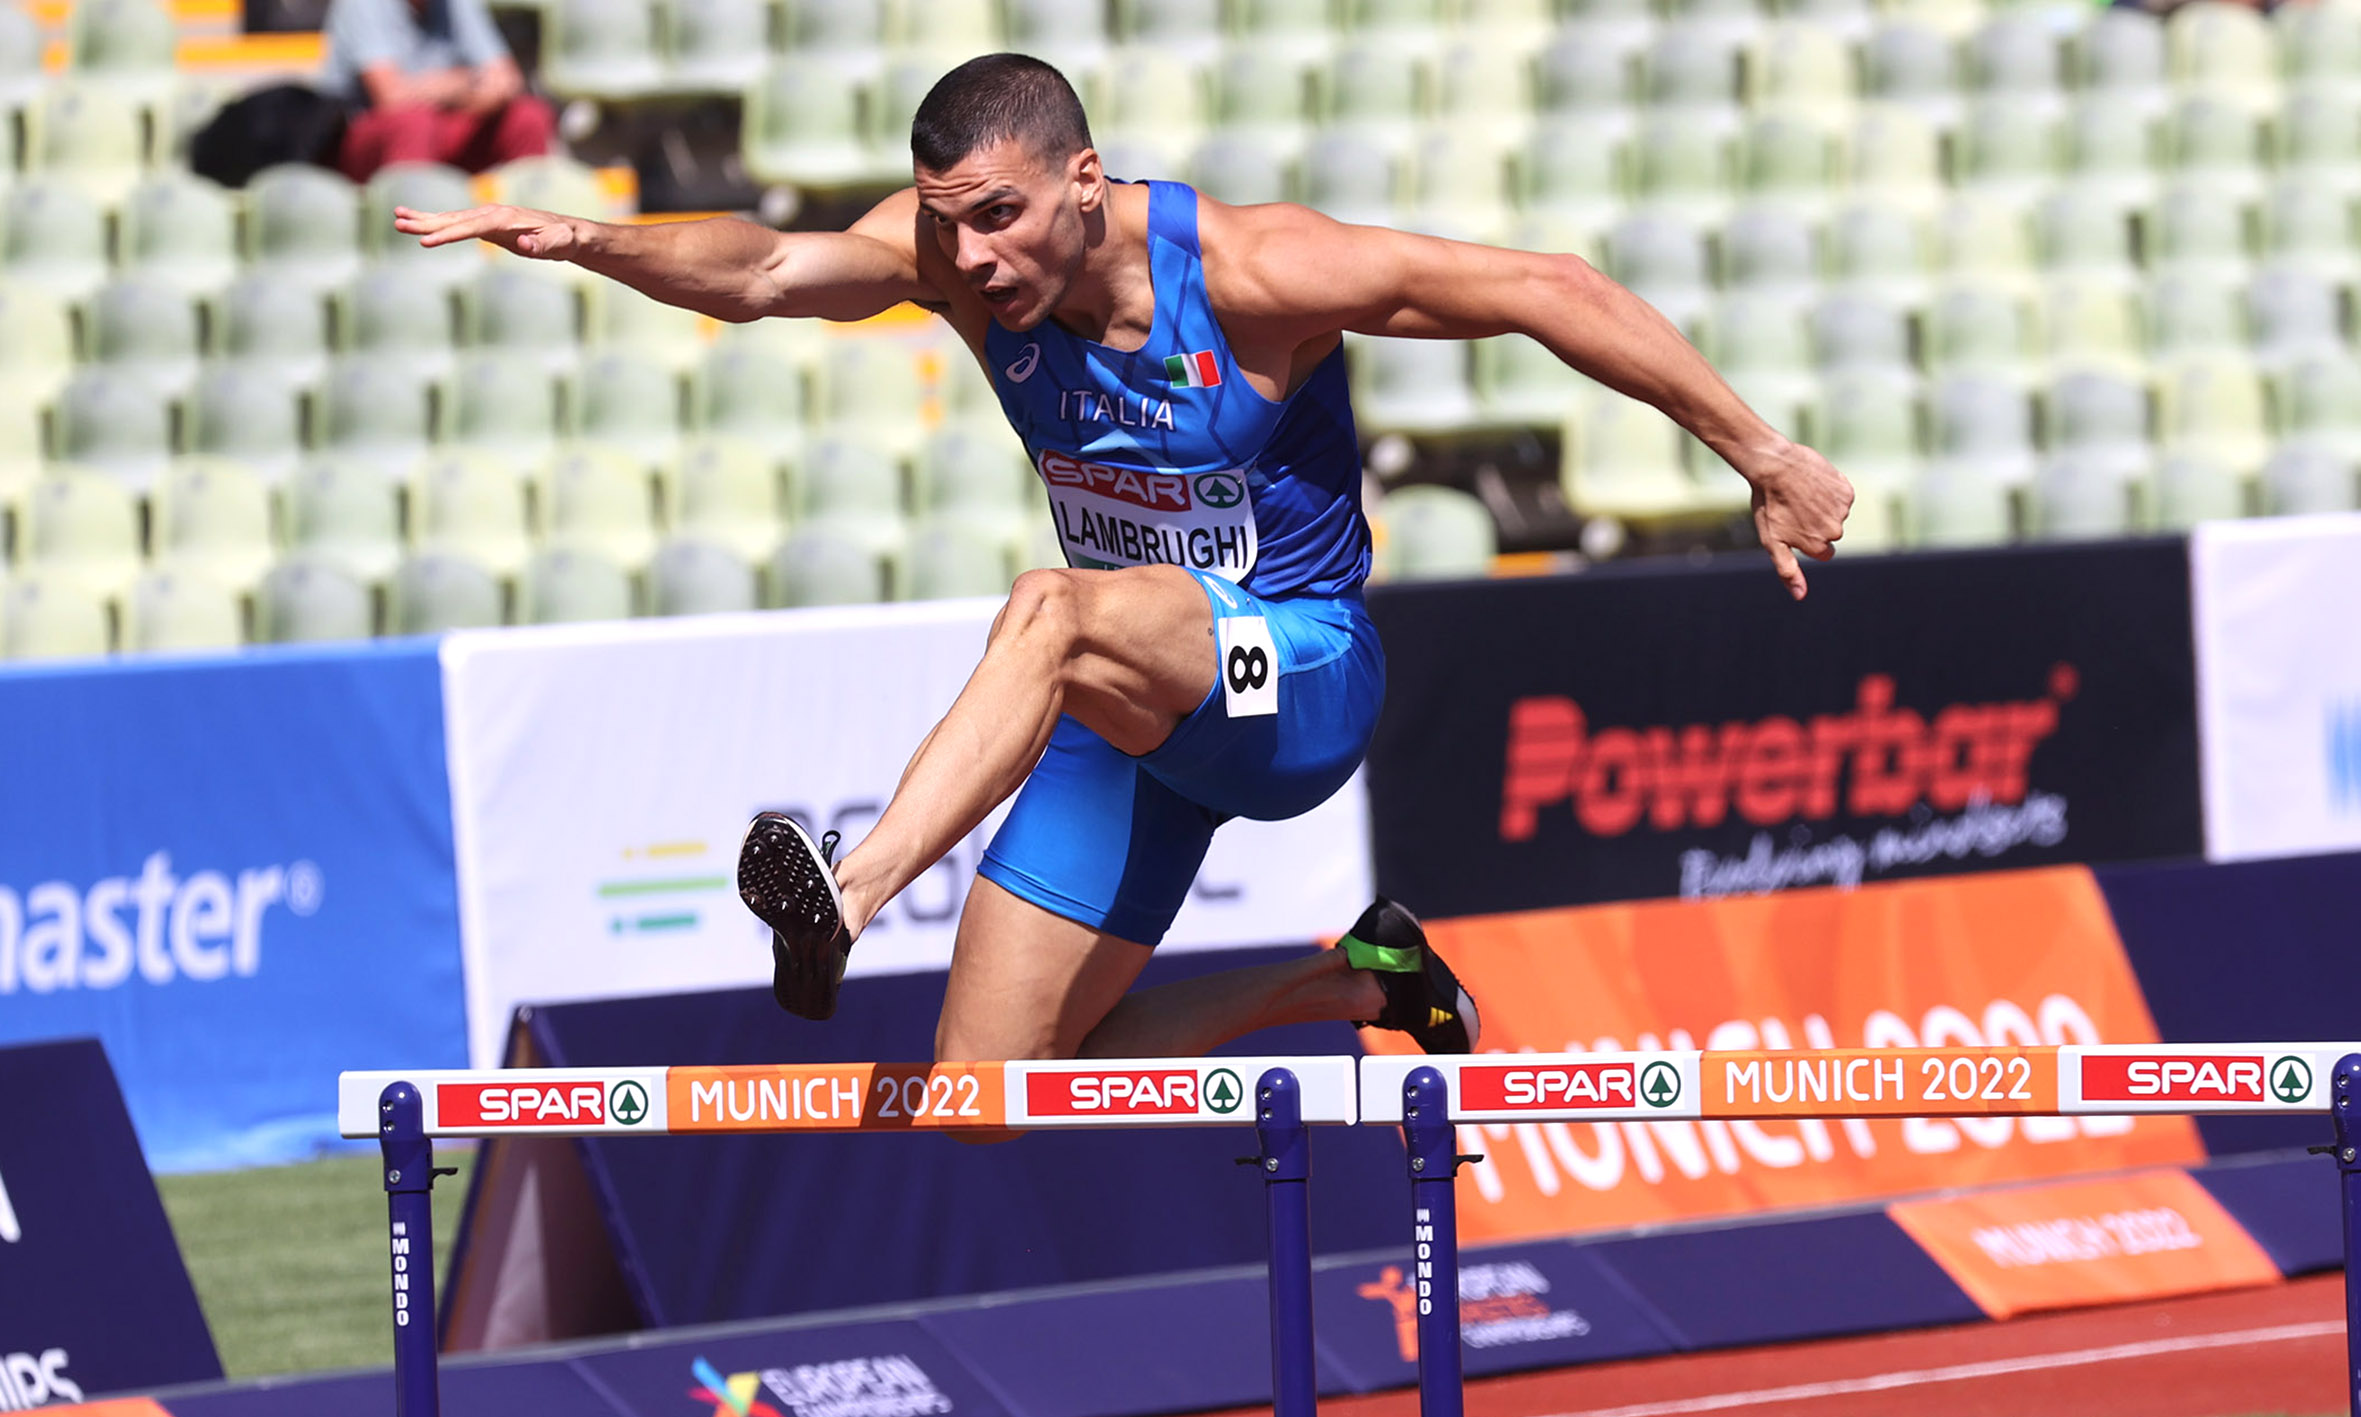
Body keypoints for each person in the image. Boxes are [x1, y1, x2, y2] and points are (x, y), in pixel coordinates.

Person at [396, 53, 1852, 1066]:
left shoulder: (1254, 273)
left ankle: (849, 895)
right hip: (1135, 698)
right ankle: (1359, 981)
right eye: (949, 227)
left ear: (1084, 182)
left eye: (1001, 218)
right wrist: (585, 236)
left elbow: (1547, 287)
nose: (972, 261)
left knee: (1048, 609)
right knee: (992, 1091)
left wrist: (1763, 454)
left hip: (1299, 671)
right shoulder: (960, 267)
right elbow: (768, 271)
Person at [323, 0, 553, 182]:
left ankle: (531, 221)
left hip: (443, 123)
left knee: (527, 115)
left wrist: (449, 87)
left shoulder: (457, 4)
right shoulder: (361, 5)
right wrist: (467, 82)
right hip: (362, 143)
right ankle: (412, 222)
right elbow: (390, 97)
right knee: (414, 124)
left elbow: (507, 81)